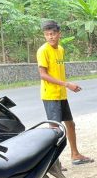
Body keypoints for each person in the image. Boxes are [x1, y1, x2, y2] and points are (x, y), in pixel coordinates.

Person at [36, 20, 93, 165]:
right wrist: (67, 84)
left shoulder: (60, 49)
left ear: (58, 34)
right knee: (55, 130)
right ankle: (53, 163)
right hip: (50, 95)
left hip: (61, 94)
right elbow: (43, 74)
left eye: (53, 34)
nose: (51, 37)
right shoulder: (43, 50)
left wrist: (65, 86)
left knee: (70, 124)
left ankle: (75, 154)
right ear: (45, 36)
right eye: (47, 34)